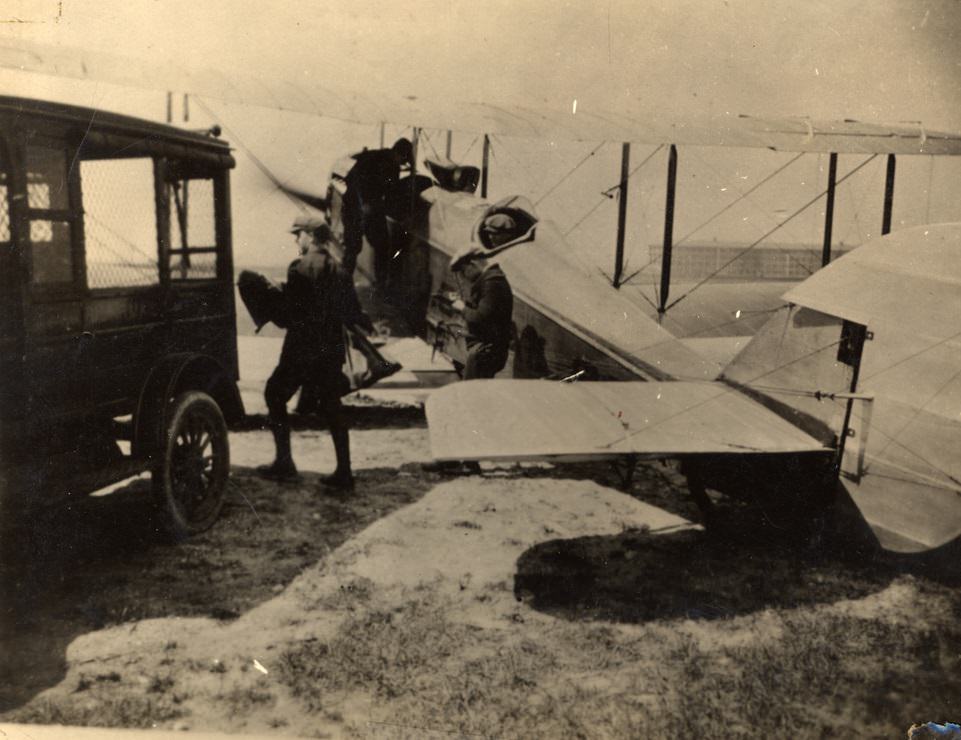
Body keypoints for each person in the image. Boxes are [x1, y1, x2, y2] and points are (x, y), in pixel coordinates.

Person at [258, 216, 374, 489]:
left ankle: (284, 462)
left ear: (310, 235)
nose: (297, 240)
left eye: (298, 235)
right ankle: (344, 472)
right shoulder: (340, 270)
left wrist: (271, 299)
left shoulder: (299, 268)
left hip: (300, 350)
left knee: (274, 395)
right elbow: (352, 314)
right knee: (332, 407)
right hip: (329, 351)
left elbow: (290, 316)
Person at [341, 137, 414, 284]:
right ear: (399, 154)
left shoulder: (384, 161)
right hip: (355, 206)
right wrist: (364, 202)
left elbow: (389, 193)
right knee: (354, 246)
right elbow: (354, 179)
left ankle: (379, 283)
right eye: (402, 160)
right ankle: (344, 282)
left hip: (369, 207)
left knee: (381, 244)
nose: (401, 164)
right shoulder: (378, 160)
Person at [449, 246, 514, 380]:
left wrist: (462, 308)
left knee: (471, 393)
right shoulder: (491, 280)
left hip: (485, 352)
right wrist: (465, 305)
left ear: (472, 265)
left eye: (463, 271)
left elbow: (481, 318)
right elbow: (487, 314)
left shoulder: (493, 283)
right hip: (485, 351)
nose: (463, 277)